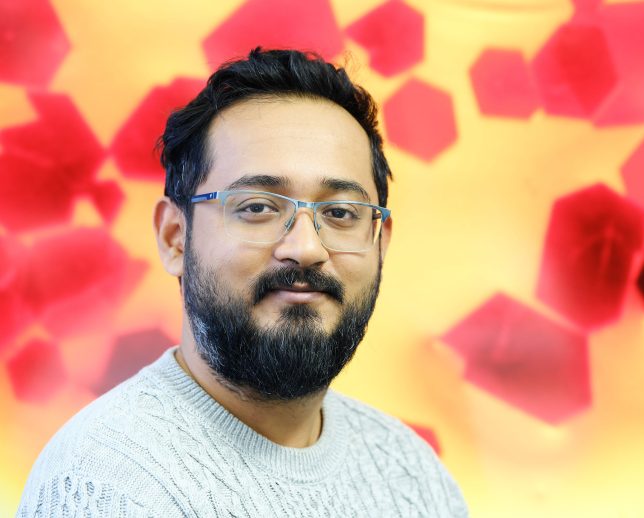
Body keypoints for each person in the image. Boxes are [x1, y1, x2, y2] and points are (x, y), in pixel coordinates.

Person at [17, 47, 468, 517]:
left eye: (339, 213)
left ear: (380, 242)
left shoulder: (409, 472)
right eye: (257, 207)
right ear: (175, 237)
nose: (307, 248)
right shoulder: (111, 483)